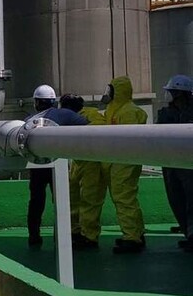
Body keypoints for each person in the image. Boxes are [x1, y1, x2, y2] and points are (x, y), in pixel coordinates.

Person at [26, 85, 87, 246]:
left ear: (37, 102)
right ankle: (62, 236)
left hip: (37, 166)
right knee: (62, 201)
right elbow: (87, 125)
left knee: (36, 202)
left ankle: (34, 236)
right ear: (54, 101)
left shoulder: (30, 120)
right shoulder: (66, 115)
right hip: (58, 165)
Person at [101, 76, 148, 254]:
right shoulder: (115, 109)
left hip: (125, 160)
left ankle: (132, 238)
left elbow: (127, 138)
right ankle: (135, 232)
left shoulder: (128, 111)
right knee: (124, 197)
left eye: (111, 89)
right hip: (119, 160)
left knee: (124, 197)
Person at [60, 94, 106, 250]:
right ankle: (75, 231)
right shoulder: (74, 117)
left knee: (90, 199)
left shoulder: (91, 115)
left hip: (91, 162)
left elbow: (99, 131)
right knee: (73, 197)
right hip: (77, 160)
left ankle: (89, 236)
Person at [157, 75, 193, 252]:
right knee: (176, 197)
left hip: (187, 163)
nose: (169, 95)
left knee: (191, 198)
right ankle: (188, 232)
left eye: (172, 92)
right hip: (171, 163)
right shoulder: (165, 113)